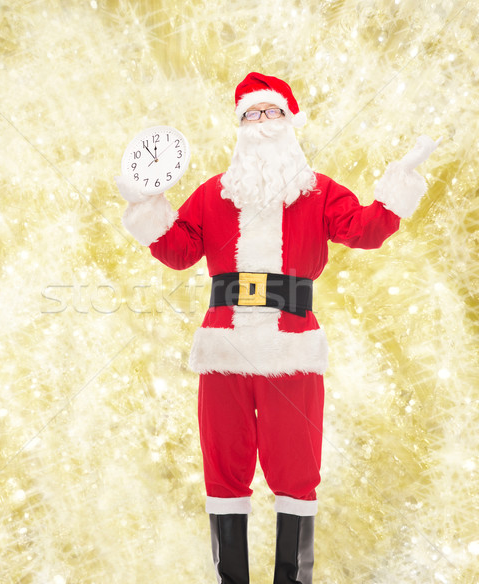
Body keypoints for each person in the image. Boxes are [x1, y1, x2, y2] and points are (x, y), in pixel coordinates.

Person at [115, 72, 439, 584]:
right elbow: (177, 252)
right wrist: (144, 204)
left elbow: (367, 230)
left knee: (297, 469)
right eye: (250, 115)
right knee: (223, 468)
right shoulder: (213, 195)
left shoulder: (321, 193)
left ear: (290, 123)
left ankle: (292, 580)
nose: (260, 124)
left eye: (270, 113)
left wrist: (399, 186)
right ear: (239, 128)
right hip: (225, 348)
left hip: (293, 349)